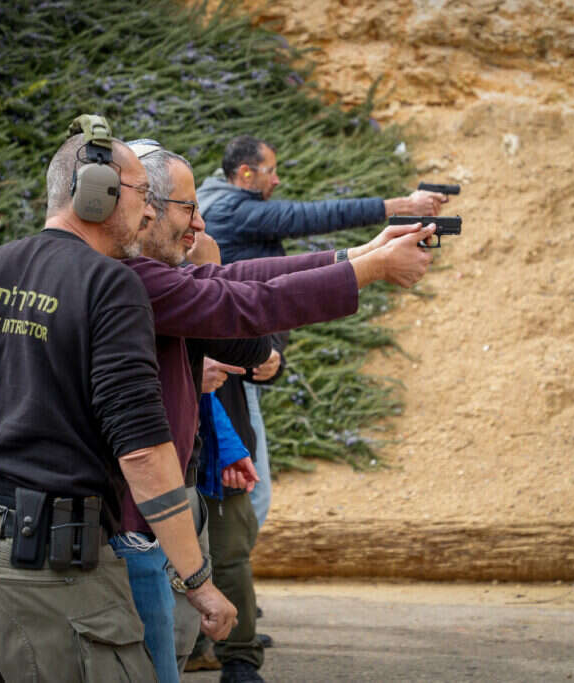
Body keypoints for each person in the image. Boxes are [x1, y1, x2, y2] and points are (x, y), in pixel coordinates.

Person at [0, 119, 236, 681]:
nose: (149, 213)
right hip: (48, 572)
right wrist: (197, 582)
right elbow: (145, 454)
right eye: (139, 195)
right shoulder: (111, 285)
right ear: (95, 193)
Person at [122, 141, 438, 683]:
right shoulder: (137, 275)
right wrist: (375, 257)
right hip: (130, 524)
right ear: (141, 207)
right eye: (187, 209)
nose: (199, 223)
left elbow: (238, 283)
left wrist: (362, 254)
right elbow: (249, 297)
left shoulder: (135, 270)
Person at [199, 134, 450, 532]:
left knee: (242, 492)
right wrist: (399, 209)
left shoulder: (221, 203)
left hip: (242, 355)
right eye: (271, 171)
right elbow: (311, 218)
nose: (278, 180)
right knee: (250, 495)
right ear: (245, 173)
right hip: (233, 362)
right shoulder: (231, 209)